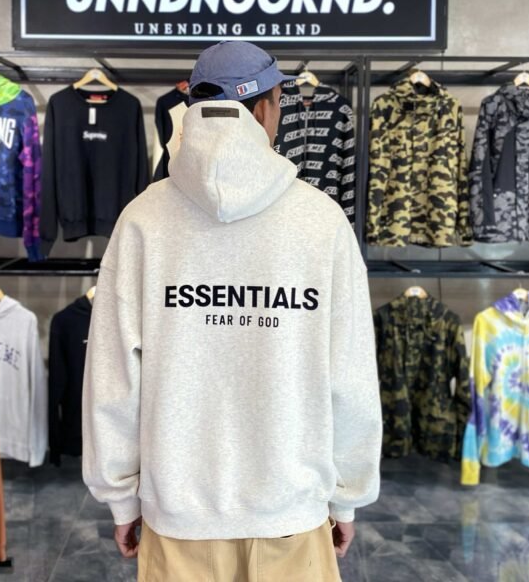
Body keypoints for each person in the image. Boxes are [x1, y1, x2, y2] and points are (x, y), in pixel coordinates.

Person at [82, 40, 382, 581]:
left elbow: (113, 378)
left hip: (178, 515)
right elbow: (351, 375)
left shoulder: (142, 220)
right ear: (266, 108)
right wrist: (346, 496)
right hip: (290, 512)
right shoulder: (322, 221)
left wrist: (121, 497)